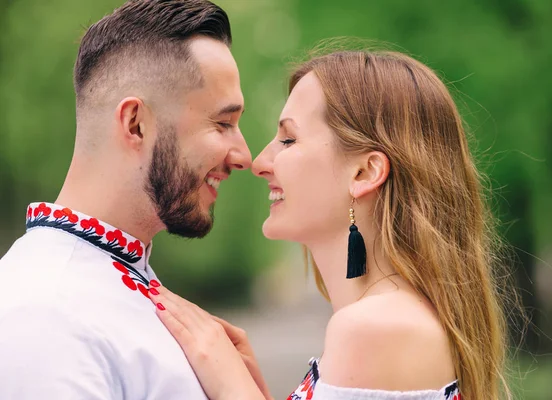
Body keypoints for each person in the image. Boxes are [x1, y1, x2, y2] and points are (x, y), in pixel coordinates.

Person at [148, 49, 514, 400]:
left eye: (289, 139)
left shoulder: (376, 328)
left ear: (364, 172)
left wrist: (233, 389)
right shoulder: (392, 320)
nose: (260, 162)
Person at [0, 1, 256, 399]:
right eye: (222, 124)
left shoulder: (111, 281)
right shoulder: (46, 312)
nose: (244, 156)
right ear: (135, 123)